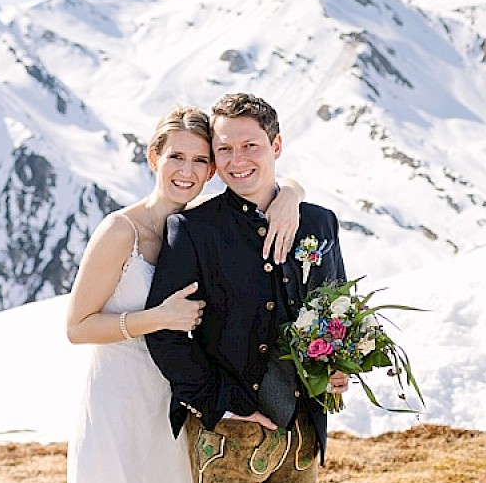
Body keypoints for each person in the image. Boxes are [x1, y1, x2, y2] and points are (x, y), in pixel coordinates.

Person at [65, 105, 307, 483]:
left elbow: (277, 180)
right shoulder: (119, 231)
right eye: (176, 156)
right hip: (120, 397)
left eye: (200, 160)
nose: (187, 171)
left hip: (177, 399)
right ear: (153, 157)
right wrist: (157, 318)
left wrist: (291, 194)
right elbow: (77, 327)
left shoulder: (197, 227)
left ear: (212, 170)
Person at [145, 93, 349, 483]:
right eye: (225, 149)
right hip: (227, 437)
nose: (237, 161)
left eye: (249, 146)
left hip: (303, 430)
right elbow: (166, 334)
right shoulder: (192, 230)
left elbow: (337, 308)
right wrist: (220, 406)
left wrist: (336, 369)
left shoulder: (320, 224)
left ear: (276, 145)